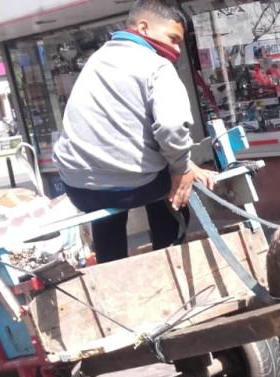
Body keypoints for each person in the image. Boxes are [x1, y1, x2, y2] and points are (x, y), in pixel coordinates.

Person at [53, 0, 215, 263]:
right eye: (173, 39)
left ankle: (111, 268)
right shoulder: (156, 65)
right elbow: (172, 128)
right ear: (143, 27)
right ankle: (169, 259)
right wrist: (182, 169)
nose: (175, 49)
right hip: (131, 186)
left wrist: (183, 163)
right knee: (175, 190)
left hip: (79, 188)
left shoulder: (98, 60)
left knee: (108, 210)